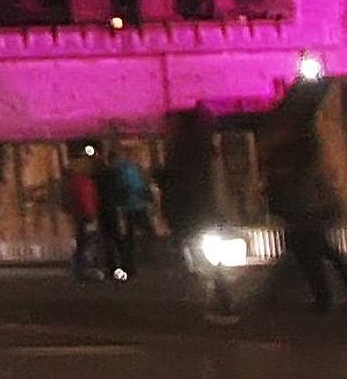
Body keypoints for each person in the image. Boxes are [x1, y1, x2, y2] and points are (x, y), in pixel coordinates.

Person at [264, 128, 347, 313]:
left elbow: (311, 195)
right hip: (306, 217)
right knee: (317, 256)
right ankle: (340, 296)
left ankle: (327, 299)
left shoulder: (303, 171)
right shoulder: (303, 169)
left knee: (312, 259)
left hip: (306, 218)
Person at [159, 109, 236, 319]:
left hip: (193, 213)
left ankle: (217, 301)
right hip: (202, 213)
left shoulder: (183, 154)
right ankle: (218, 299)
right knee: (208, 260)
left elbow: (179, 186)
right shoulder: (203, 150)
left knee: (202, 259)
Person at [100, 146, 155, 278]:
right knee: (146, 230)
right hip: (139, 204)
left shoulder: (113, 170)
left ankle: (129, 264)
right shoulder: (132, 167)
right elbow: (143, 184)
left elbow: (115, 190)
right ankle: (155, 255)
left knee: (126, 238)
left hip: (125, 207)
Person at [64, 148, 104, 281]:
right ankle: (84, 269)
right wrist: (90, 214)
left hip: (79, 214)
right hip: (86, 215)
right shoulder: (84, 182)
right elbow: (85, 198)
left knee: (82, 241)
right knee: (87, 241)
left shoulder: (73, 181)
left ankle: (79, 268)